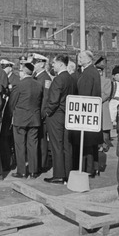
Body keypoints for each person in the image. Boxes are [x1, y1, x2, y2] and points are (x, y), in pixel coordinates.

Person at [42, 54, 74, 184]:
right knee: (66, 146)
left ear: (61, 64)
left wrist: (47, 113)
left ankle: (59, 175)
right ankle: (66, 173)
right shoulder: (70, 78)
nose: (52, 65)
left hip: (56, 116)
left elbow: (53, 101)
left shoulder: (58, 79)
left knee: (56, 146)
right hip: (66, 115)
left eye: (54, 63)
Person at [9, 61, 42, 178]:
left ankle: (22, 171)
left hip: (20, 119)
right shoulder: (38, 85)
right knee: (33, 145)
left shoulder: (18, 85)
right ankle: (33, 171)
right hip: (34, 119)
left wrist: (12, 114)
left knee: (20, 145)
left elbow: (12, 103)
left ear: (23, 72)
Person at [74, 49, 102, 178]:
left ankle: (89, 169)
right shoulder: (92, 71)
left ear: (89, 59)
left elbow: (84, 94)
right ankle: (93, 168)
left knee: (87, 142)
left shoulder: (88, 73)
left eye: (81, 57)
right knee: (90, 141)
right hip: (92, 111)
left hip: (87, 111)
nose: (79, 59)